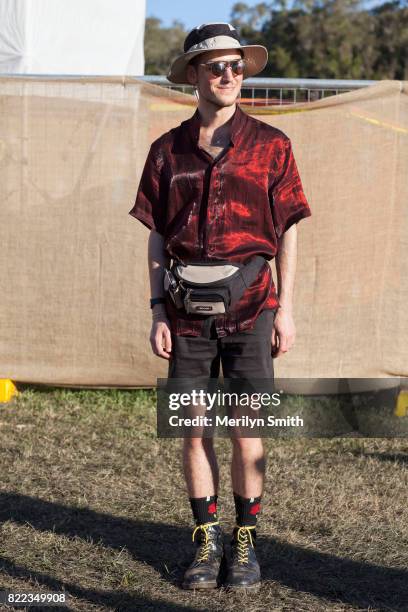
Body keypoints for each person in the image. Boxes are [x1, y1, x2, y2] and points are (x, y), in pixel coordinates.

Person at [128, 22, 312, 590]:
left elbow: (289, 232)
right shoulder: (166, 151)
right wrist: (158, 308)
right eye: (215, 66)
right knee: (193, 429)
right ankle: (206, 543)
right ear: (193, 75)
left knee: (247, 429)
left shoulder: (272, 145)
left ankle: (247, 546)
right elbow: (157, 233)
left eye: (236, 65)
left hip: (254, 304)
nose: (228, 74)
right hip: (185, 312)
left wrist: (285, 308)